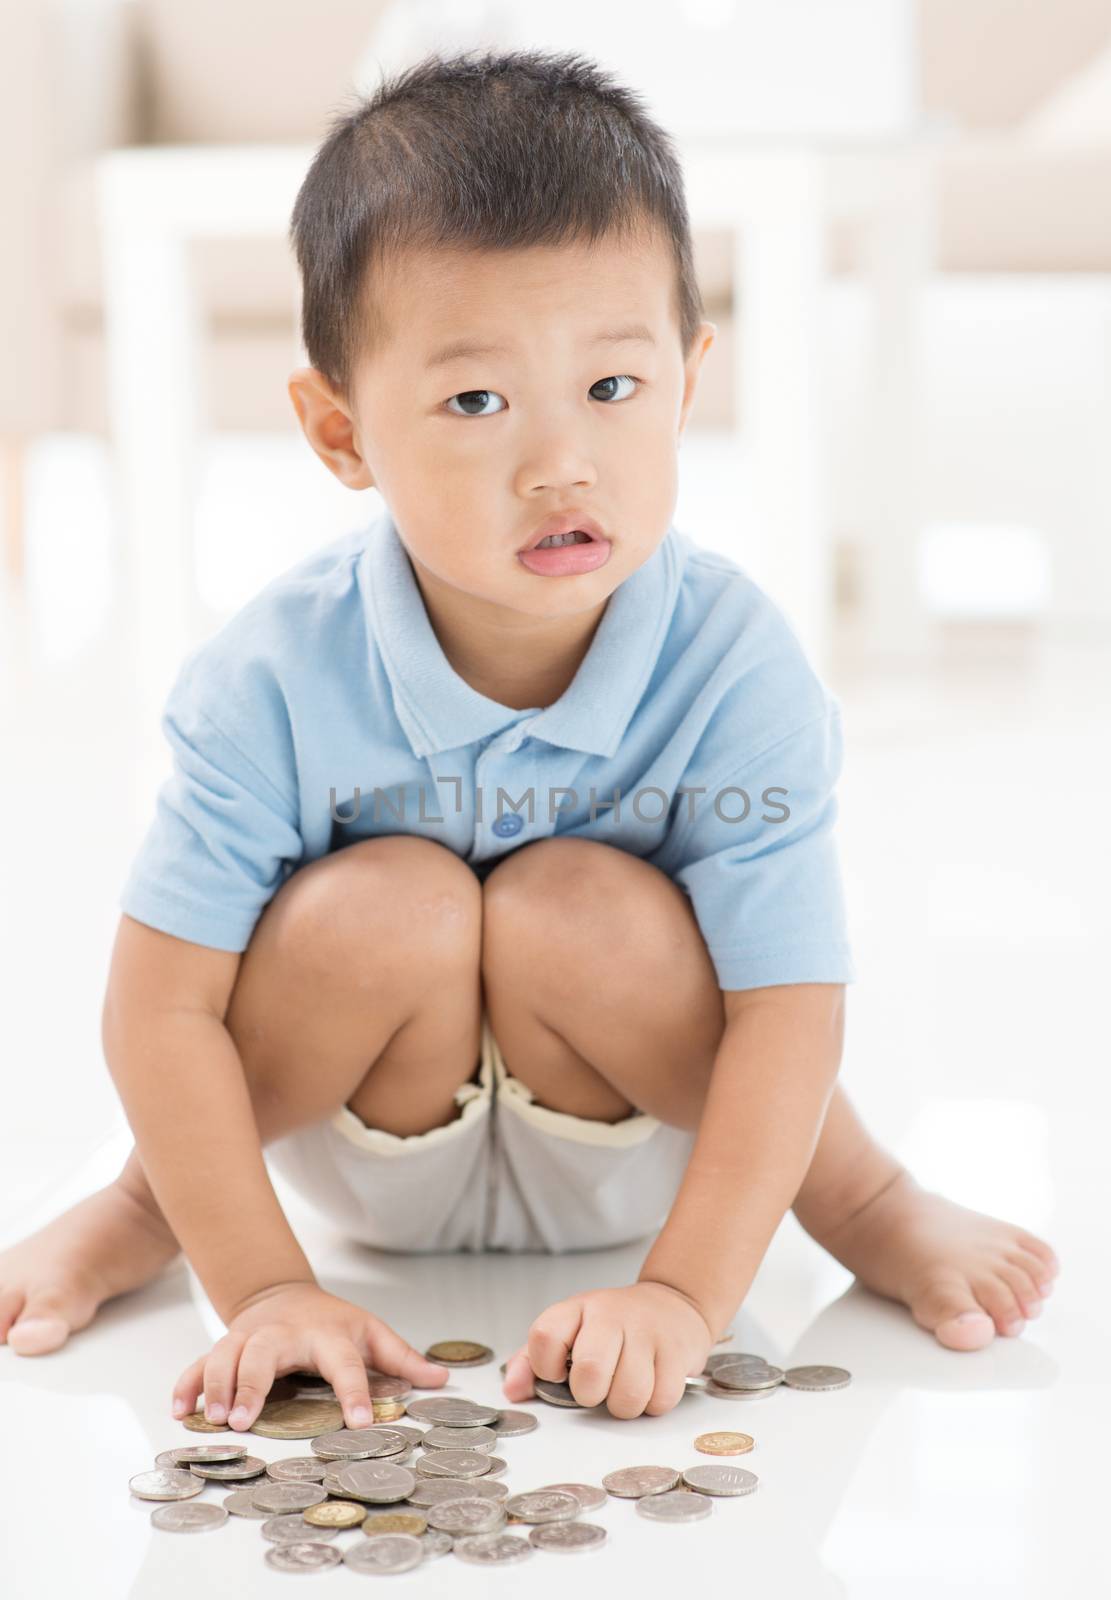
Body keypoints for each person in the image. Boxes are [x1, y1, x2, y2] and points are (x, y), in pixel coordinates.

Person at [0, 49, 1058, 1429]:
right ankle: (148, 1206)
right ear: (339, 433)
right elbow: (164, 1004)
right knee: (383, 905)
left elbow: (789, 1004)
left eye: (613, 389)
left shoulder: (738, 668)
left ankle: (865, 1196)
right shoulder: (268, 675)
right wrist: (263, 1285)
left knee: (583, 905)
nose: (562, 461)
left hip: (634, 1137)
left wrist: (683, 1294)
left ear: (688, 376)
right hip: (371, 1130)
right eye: (476, 403)